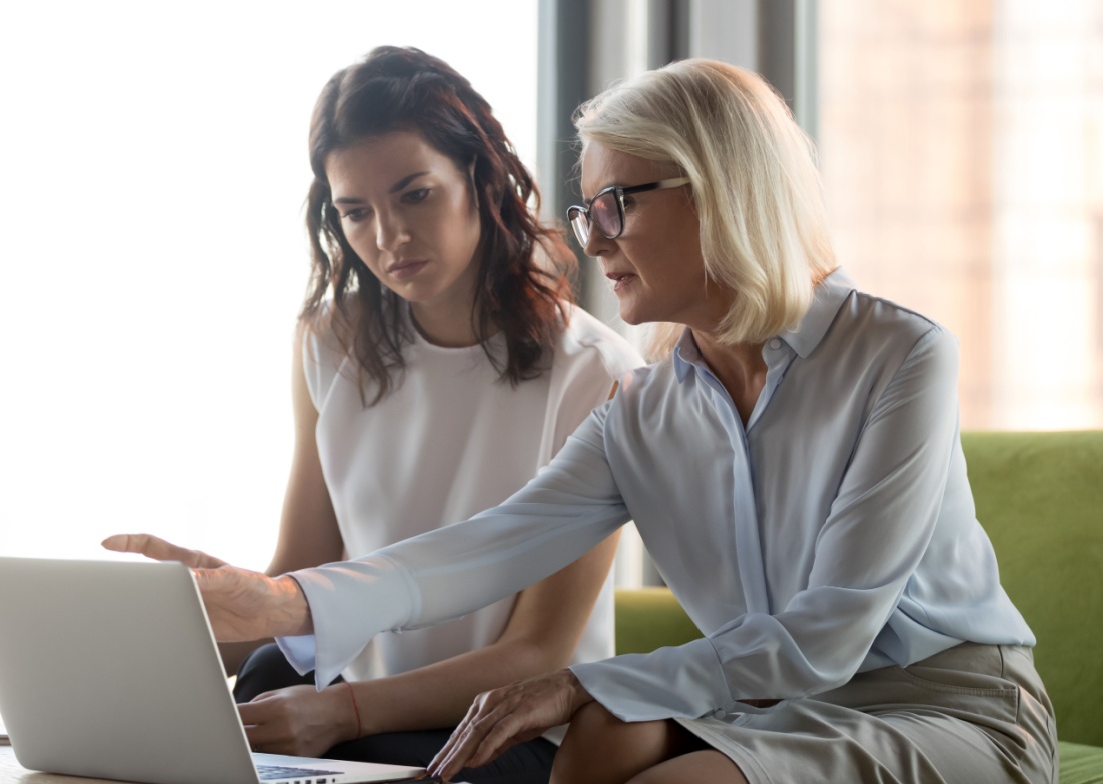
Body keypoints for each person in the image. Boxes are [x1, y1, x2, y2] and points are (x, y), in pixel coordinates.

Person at [106, 58, 1058, 784]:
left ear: (722, 189)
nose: (591, 236)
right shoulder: (644, 407)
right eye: (586, 205)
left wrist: (576, 681)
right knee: (601, 741)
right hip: (767, 703)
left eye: (617, 203)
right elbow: (484, 547)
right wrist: (287, 605)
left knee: (612, 730)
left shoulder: (898, 355)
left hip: (946, 703)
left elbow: (826, 636)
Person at [106, 46, 644, 784]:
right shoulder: (332, 342)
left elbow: (538, 653)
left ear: (481, 180)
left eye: (414, 195)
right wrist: (164, 633)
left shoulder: (600, 375)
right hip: (344, 710)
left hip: (503, 731)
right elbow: (302, 576)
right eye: (355, 212)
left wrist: (344, 712)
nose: (387, 237)